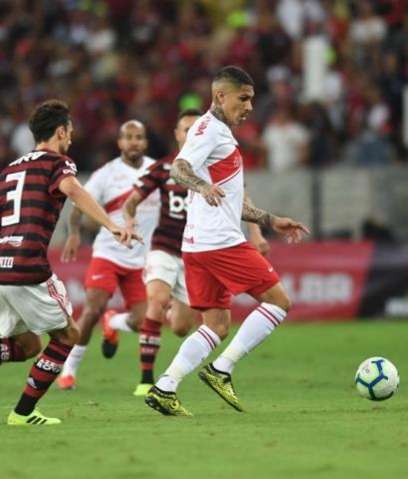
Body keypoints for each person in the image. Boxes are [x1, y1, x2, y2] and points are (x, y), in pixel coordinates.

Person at [0, 100, 139, 426]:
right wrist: (112, 225)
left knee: (27, 345)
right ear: (59, 131)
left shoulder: (7, 171)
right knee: (68, 334)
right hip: (28, 266)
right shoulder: (58, 162)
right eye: (68, 132)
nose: (70, 138)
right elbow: (72, 189)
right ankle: (22, 413)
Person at [145, 66, 309, 416]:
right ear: (220, 96)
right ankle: (222, 370)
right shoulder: (209, 130)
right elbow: (179, 168)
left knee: (216, 325)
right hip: (219, 243)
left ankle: (165, 387)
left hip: (197, 245)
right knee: (279, 302)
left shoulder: (218, 133)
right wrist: (203, 187)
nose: (249, 106)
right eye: (243, 98)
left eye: (252, 99)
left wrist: (270, 220)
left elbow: (230, 201)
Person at [123, 109, 270, 397]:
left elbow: (239, 196)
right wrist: (128, 219)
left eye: (195, 128)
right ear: (177, 135)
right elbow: (132, 201)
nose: (191, 133)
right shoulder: (164, 168)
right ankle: (146, 379)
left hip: (197, 252)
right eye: (185, 129)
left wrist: (257, 232)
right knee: (157, 301)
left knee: (180, 327)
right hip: (165, 247)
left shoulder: (215, 162)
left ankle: (120, 322)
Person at [56, 120, 158, 390]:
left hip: (142, 259)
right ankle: (69, 370)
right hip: (109, 253)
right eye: (128, 137)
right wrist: (74, 233)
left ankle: (112, 322)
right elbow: (78, 205)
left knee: (143, 322)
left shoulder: (158, 172)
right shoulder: (106, 174)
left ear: (145, 142)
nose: (134, 141)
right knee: (91, 309)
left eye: (139, 137)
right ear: (120, 143)